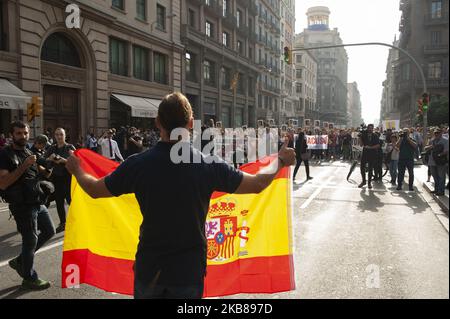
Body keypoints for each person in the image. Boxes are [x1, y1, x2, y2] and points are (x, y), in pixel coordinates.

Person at [65, 92, 296, 299]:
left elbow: (94, 189)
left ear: (157, 122)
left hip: (150, 267)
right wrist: (281, 160)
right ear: (190, 124)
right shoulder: (208, 164)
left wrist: (77, 169)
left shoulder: (138, 165)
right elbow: (257, 183)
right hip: (188, 271)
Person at [0, 121, 55, 290]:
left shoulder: (28, 151)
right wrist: (24, 165)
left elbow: (40, 171)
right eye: (18, 133)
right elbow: (3, 183)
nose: (23, 136)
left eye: (25, 133)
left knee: (49, 231)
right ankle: (29, 277)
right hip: (21, 204)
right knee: (30, 240)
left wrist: (49, 165)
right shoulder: (5, 154)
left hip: (37, 201)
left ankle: (20, 261)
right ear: (11, 135)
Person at [44, 128, 76, 233]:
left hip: (68, 178)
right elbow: (45, 161)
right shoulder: (52, 148)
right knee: (59, 202)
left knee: (71, 202)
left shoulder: (69, 147)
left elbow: (76, 162)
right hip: (56, 179)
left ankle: (77, 222)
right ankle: (63, 223)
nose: (59, 137)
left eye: (61, 134)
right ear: (54, 136)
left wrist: (63, 160)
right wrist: (51, 159)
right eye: (57, 134)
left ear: (65, 135)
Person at [425, 128, 448, 196]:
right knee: (435, 176)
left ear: (441, 133)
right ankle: (437, 189)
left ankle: (441, 191)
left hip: (441, 161)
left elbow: (447, 150)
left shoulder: (445, 141)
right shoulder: (432, 140)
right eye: (435, 133)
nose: (436, 134)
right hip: (432, 161)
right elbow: (425, 148)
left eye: (438, 133)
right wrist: (430, 147)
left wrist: (439, 155)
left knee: (441, 176)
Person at [359, 124, 380, 189]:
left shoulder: (375, 136)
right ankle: (363, 181)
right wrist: (360, 138)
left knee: (370, 168)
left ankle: (369, 183)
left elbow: (378, 145)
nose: (370, 129)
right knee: (362, 167)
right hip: (365, 153)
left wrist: (370, 147)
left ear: (373, 129)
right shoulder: (364, 135)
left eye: (371, 128)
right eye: (369, 128)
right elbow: (361, 145)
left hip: (372, 153)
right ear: (367, 128)